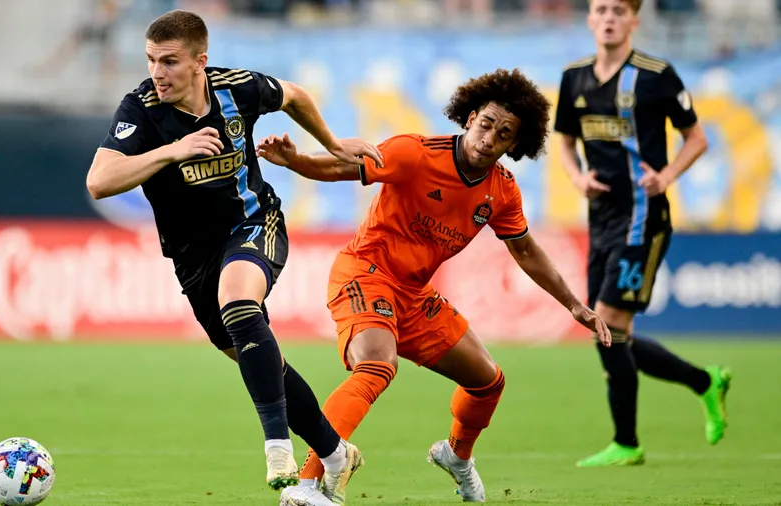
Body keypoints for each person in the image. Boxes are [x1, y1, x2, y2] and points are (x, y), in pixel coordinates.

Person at [257, 68, 612, 505]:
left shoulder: (501, 192)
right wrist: (296, 161)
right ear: (470, 117)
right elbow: (340, 166)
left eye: (504, 135)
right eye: (486, 124)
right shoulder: (416, 153)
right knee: (377, 365)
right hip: (365, 272)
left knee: (487, 381)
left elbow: (525, 251)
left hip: (413, 294)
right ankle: (308, 483)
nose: (489, 139)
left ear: (514, 145)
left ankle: (456, 456)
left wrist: (574, 304)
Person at [86, 10, 382, 491]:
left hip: (254, 223)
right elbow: (99, 181)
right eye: (151, 60)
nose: (157, 72)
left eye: (169, 61)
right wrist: (172, 150)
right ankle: (335, 454)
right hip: (193, 257)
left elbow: (294, 95)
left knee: (239, 302)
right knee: (259, 358)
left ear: (200, 61)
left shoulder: (237, 88)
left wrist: (332, 144)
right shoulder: (140, 108)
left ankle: (277, 448)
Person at [553, 0, 730, 467]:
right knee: (610, 331)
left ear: (634, 20)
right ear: (590, 19)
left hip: (644, 218)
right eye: (601, 9)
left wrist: (666, 176)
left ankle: (627, 443)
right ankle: (705, 382)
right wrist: (576, 177)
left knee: (607, 322)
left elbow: (697, 137)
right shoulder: (574, 77)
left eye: (618, 10)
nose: (609, 17)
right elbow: (565, 142)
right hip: (601, 219)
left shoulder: (656, 74)